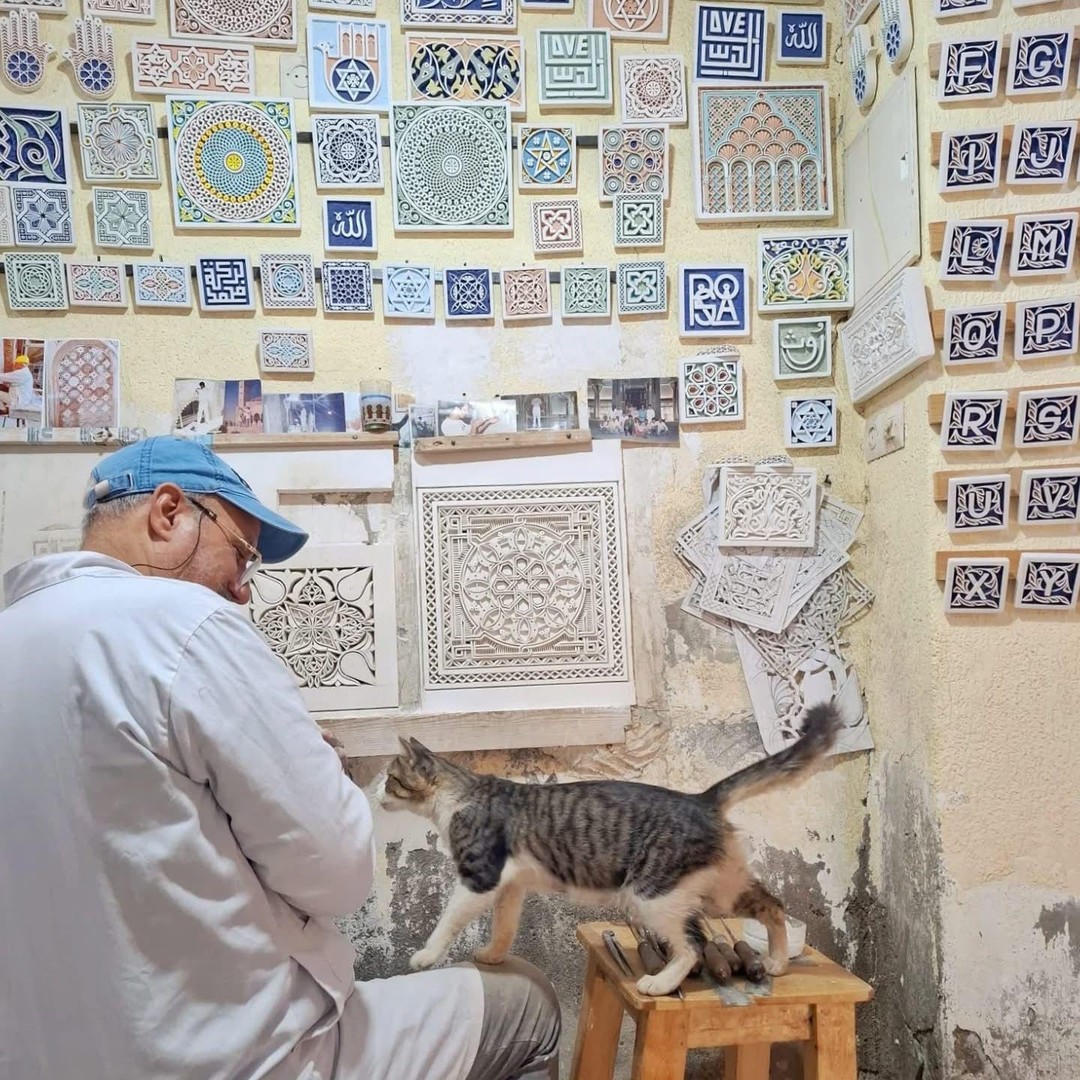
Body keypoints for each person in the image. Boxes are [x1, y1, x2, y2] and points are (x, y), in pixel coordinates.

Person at [0, 435, 560, 1080]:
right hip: (228, 1059)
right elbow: (340, 876)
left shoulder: (17, 632)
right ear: (168, 514)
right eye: (241, 555)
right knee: (527, 1006)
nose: (242, 589)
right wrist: (322, 770)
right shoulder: (187, 623)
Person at [0, 353, 41, 420]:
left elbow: (5, 376)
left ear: (20, 364)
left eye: (15, 364)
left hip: (18, 401)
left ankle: (3, 410)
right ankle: (4, 409)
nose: (14, 366)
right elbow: (15, 383)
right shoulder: (25, 373)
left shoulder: (22, 373)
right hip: (21, 399)